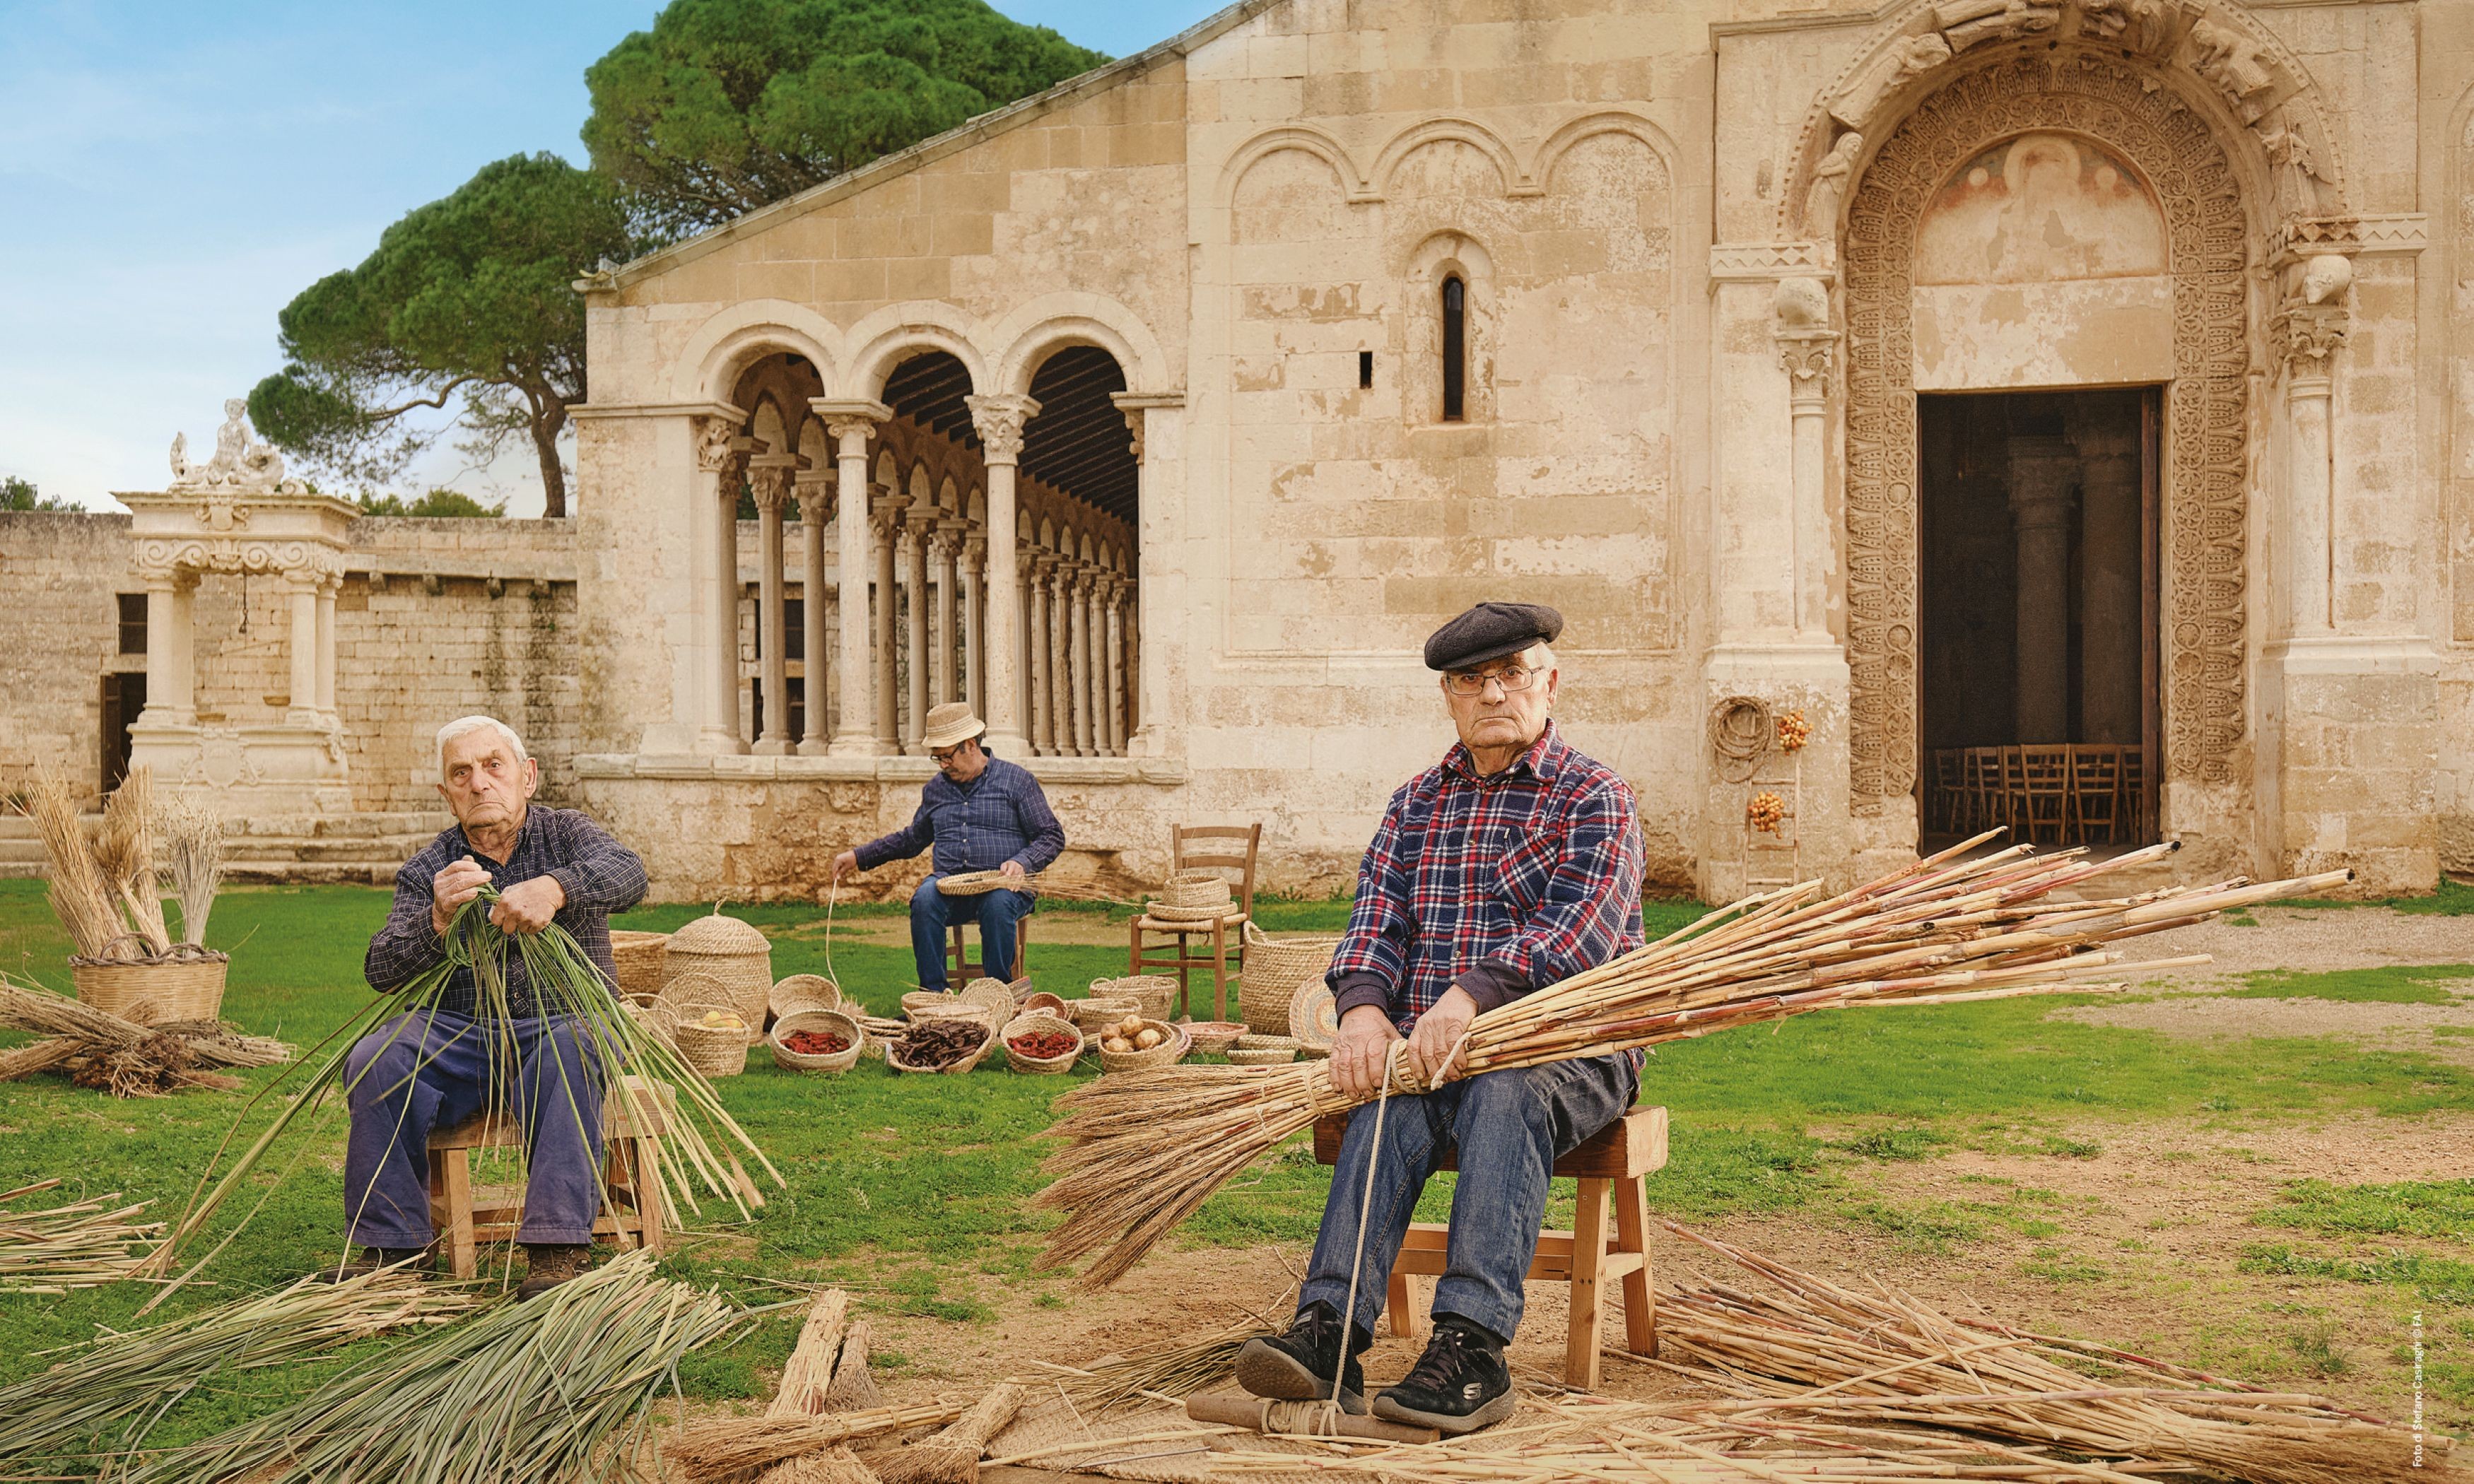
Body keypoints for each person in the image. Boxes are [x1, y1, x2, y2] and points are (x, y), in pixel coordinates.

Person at [1235, 601, 1646, 1433]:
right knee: (1387, 1102)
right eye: (1470, 679)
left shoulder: (1593, 797)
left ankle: (1471, 1348)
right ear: (1449, 697)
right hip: (1430, 1053)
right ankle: (1328, 1332)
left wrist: (1467, 998)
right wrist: (1360, 1012)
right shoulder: (1414, 804)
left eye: (1511, 674)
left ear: (1548, 684)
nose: (1492, 693)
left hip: (1564, 1049)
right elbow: (1373, 925)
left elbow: (1576, 934)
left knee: (1506, 1089)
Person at [328, 714, 647, 1298]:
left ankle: (557, 1251)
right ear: (446, 793)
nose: (478, 782)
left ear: (527, 776)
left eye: (493, 766)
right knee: (378, 1057)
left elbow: (630, 874)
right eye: (461, 773)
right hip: (462, 1036)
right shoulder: (431, 869)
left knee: (568, 1050)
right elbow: (381, 968)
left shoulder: (567, 834)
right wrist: (436, 920)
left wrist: (555, 888)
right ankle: (391, 1250)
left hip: (564, 1019)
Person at [832, 702, 1066, 989]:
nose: (943, 765)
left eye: (947, 756)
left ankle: (997, 994)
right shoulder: (936, 789)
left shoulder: (1017, 781)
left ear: (970, 745)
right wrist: (859, 856)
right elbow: (912, 840)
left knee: (997, 904)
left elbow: (1051, 835)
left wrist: (1023, 862)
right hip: (951, 886)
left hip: (1005, 887)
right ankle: (933, 996)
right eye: (937, 758)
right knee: (925, 898)